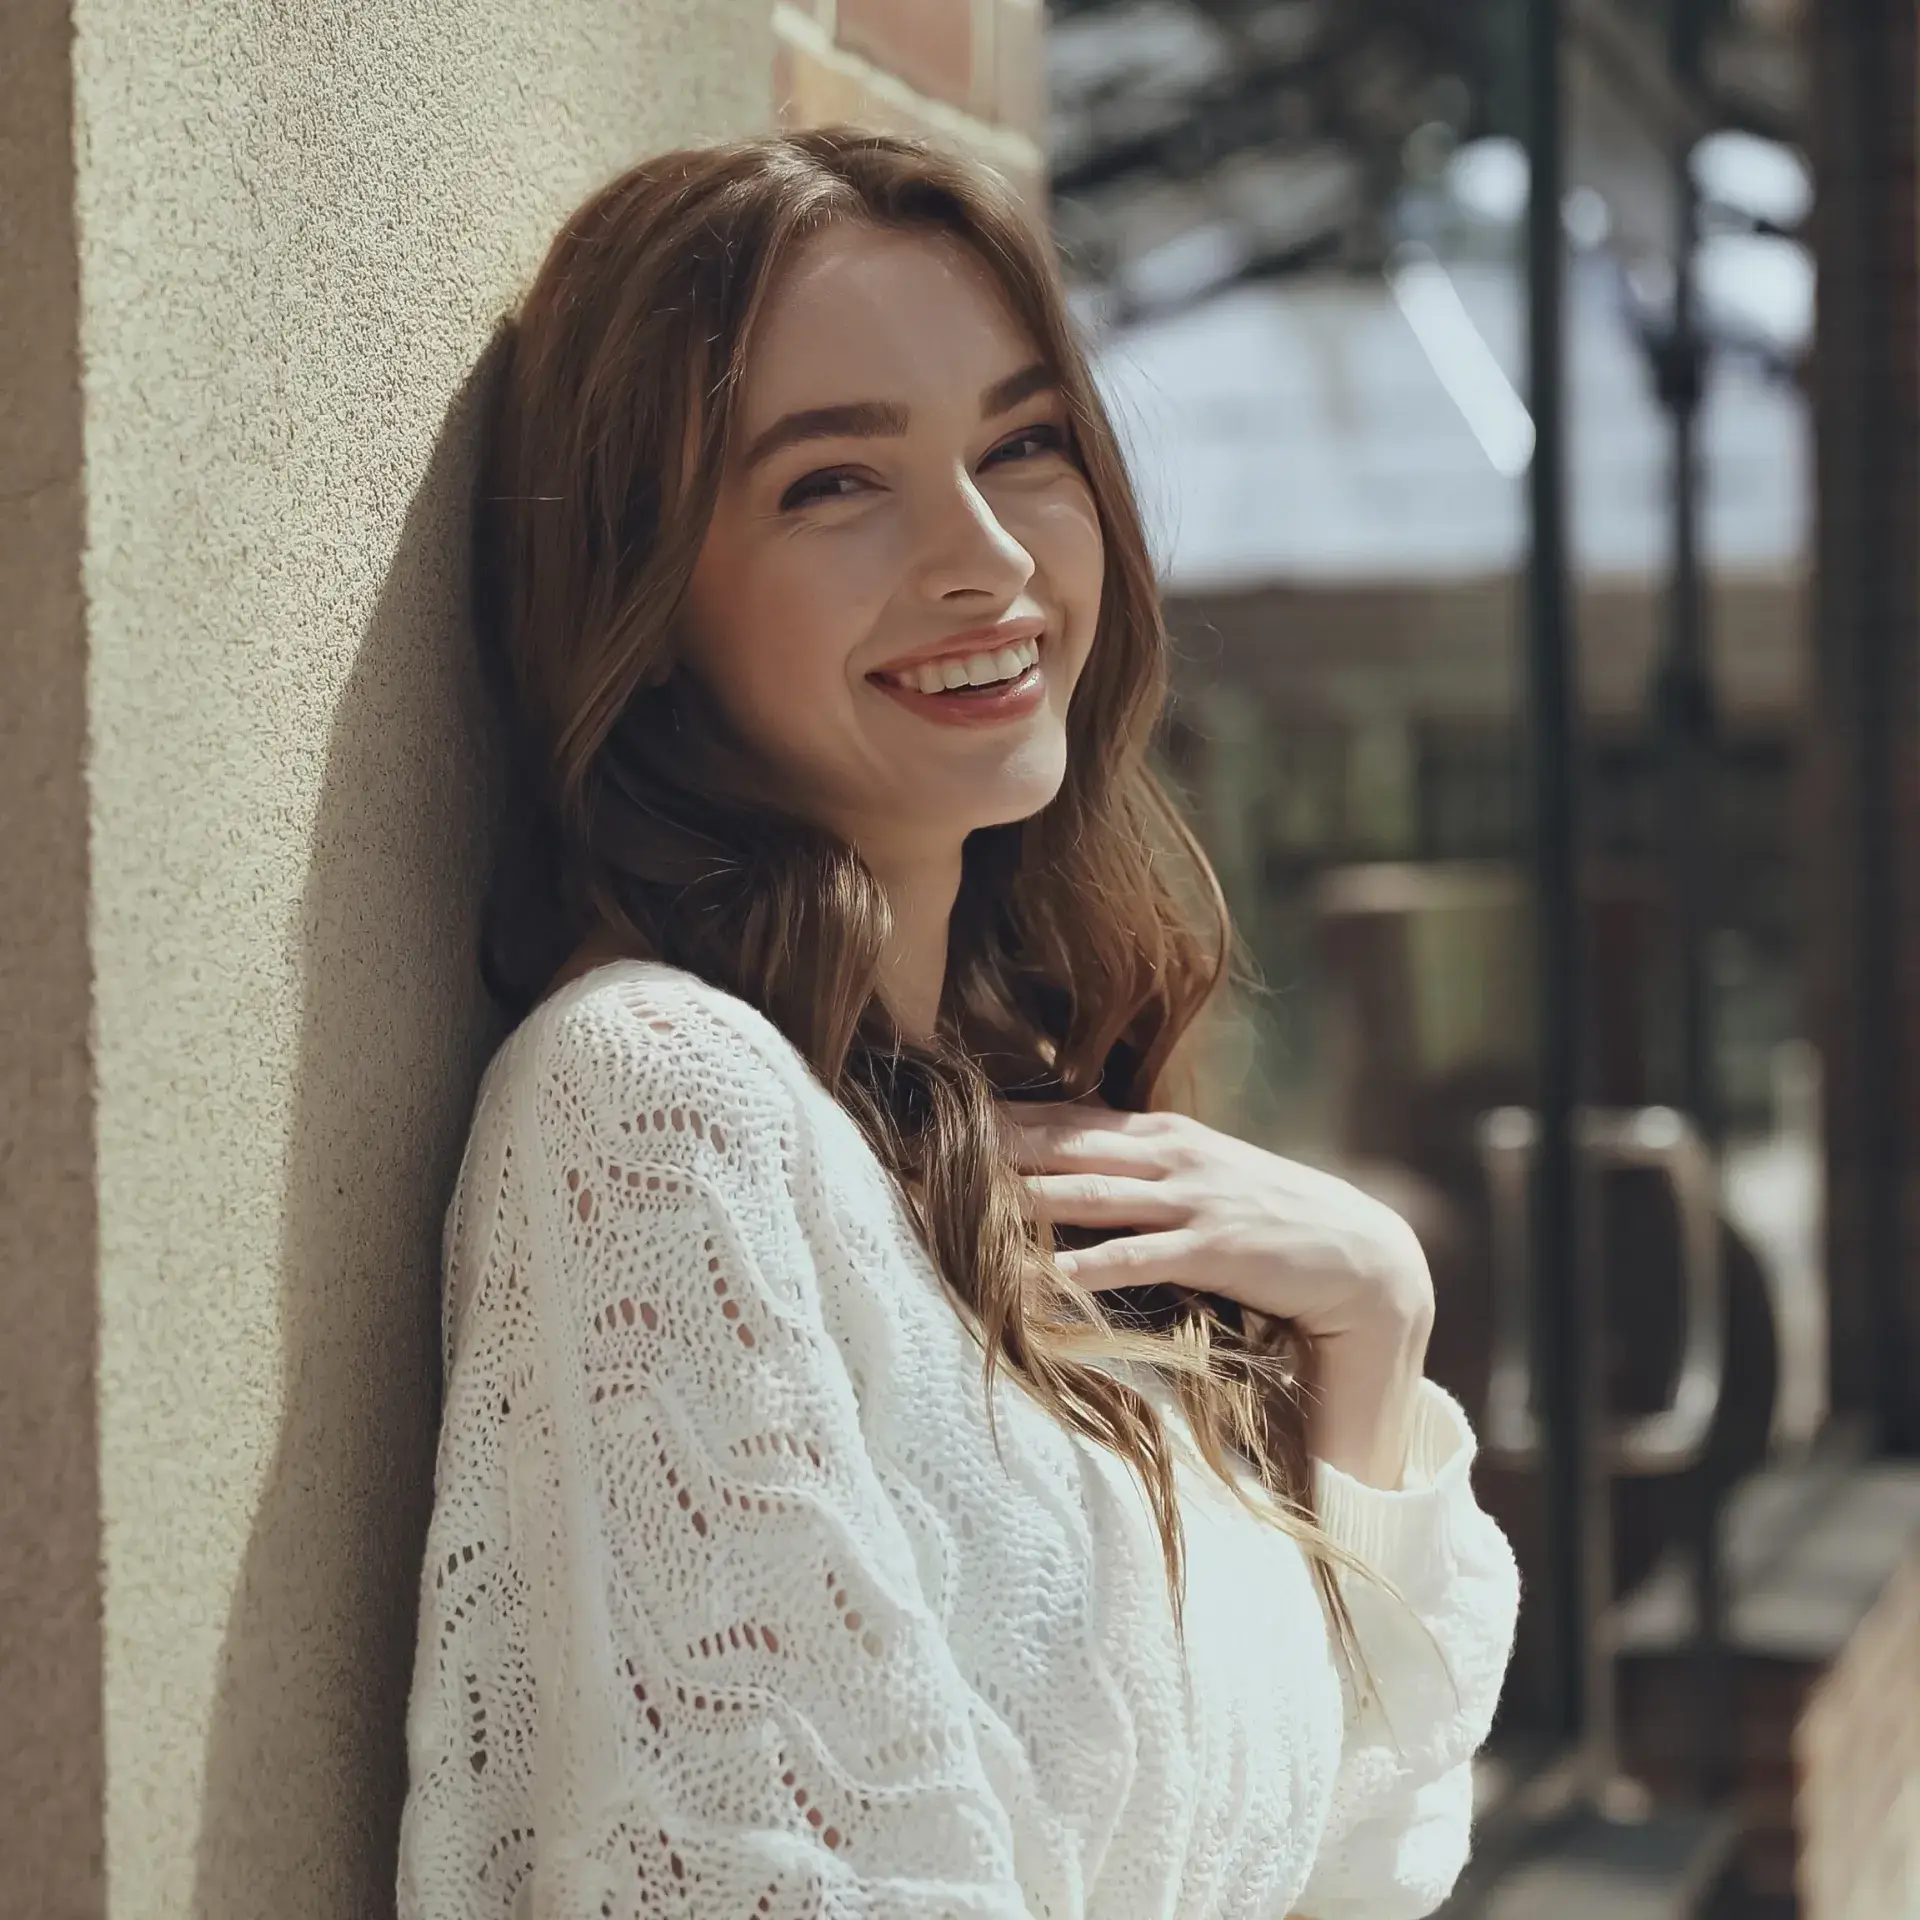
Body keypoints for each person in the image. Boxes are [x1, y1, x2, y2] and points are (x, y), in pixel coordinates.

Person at [396, 127, 1519, 1920]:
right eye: (834, 482)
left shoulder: (1005, 1142)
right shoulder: (656, 1109)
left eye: (1022, 446)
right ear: (647, 600)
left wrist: (1376, 1327)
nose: (986, 555)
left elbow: (1354, 1866)